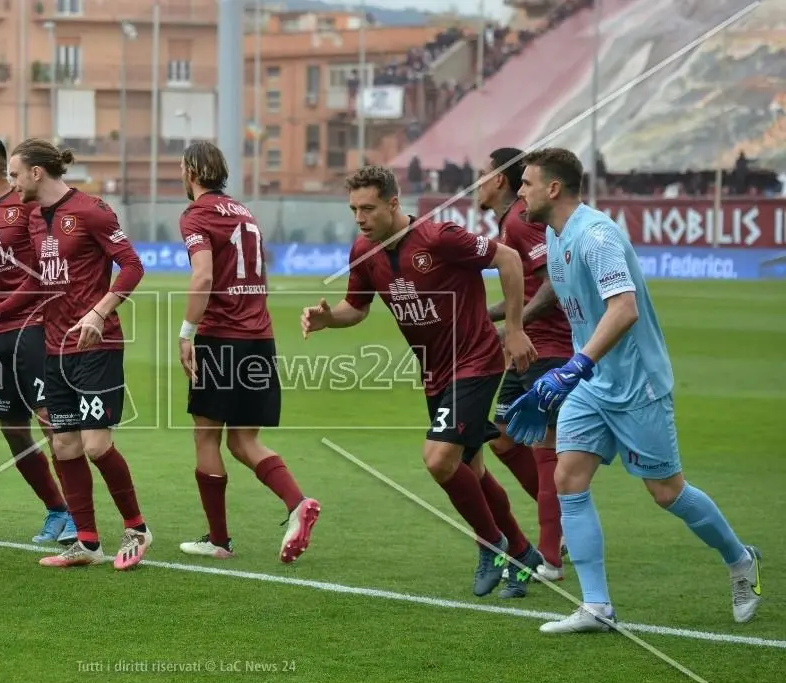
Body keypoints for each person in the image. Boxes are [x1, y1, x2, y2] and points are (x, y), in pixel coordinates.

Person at [508, 148, 763, 632]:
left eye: (526, 182)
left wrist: (575, 364)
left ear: (553, 189)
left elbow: (624, 310)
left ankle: (740, 559)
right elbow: (567, 300)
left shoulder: (597, 236)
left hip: (635, 384)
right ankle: (598, 607)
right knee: (568, 479)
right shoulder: (553, 234)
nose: (520, 191)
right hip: (592, 383)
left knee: (666, 492)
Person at [300, 165, 543, 599]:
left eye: (368, 208)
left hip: (475, 360)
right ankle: (522, 552)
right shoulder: (363, 250)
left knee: (437, 460)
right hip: (435, 374)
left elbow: (507, 258)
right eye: (354, 208)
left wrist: (518, 328)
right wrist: (326, 319)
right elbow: (355, 308)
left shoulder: (440, 237)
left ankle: (493, 545)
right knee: (471, 469)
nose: (360, 217)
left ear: (394, 203)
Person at [174, 141, 320, 562]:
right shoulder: (244, 212)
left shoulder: (196, 215)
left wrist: (187, 333)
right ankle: (298, 503)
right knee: (243, 440)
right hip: (259, 337)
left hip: (222, 338)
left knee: (206, 436)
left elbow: (202, 277)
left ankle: (218, 540)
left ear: (191, 172)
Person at [5, 139, 148, 569]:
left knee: (96, 446)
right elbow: (38, 282)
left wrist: (99, 313)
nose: (11, 185)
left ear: (35, 173)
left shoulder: (91, 211)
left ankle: (137, 529)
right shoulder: (33, 218)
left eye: (13, 175)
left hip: (96, 346)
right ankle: (87, 543)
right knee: (64, 445)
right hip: (55, 348)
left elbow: (133, 266)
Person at [0, 136, 77, 546]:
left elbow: (39, 272)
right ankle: (55, 508)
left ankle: (80, 515)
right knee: (12, 427)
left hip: (34, 324)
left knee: (49, 421)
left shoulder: (26, 205)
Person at [478, 147, 572, 582]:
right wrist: (482, 318)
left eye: (482, 174)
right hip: (529, 345)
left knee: (543, 447)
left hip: (550, 346)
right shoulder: (509, 220)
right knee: (500, 437)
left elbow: (553, 280)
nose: (476, 182)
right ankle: (560, 523)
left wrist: (513, 325)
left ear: (500, 179)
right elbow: (523, 291)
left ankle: (553, 548)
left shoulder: (520, 219)